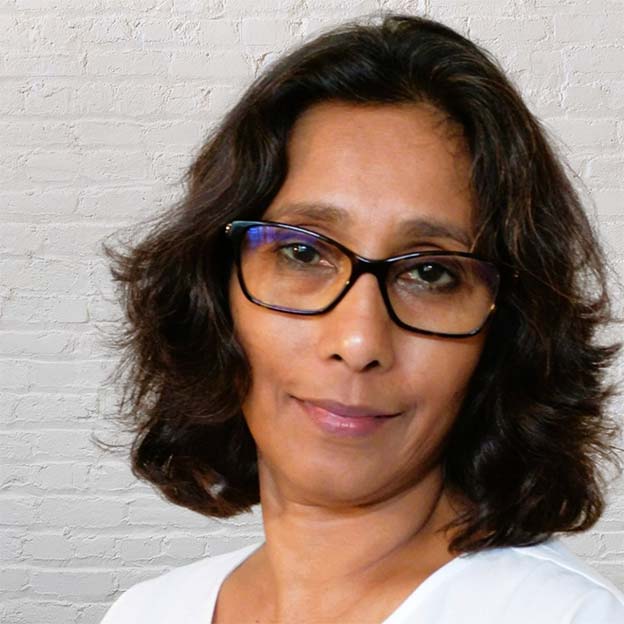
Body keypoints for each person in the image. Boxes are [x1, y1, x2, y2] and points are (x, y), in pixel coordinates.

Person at [100, 13, 624, 624]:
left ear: (506, 331)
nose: (358, 341)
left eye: (431, 273)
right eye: (303, 253)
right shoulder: (148, 611)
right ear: (213, 292)